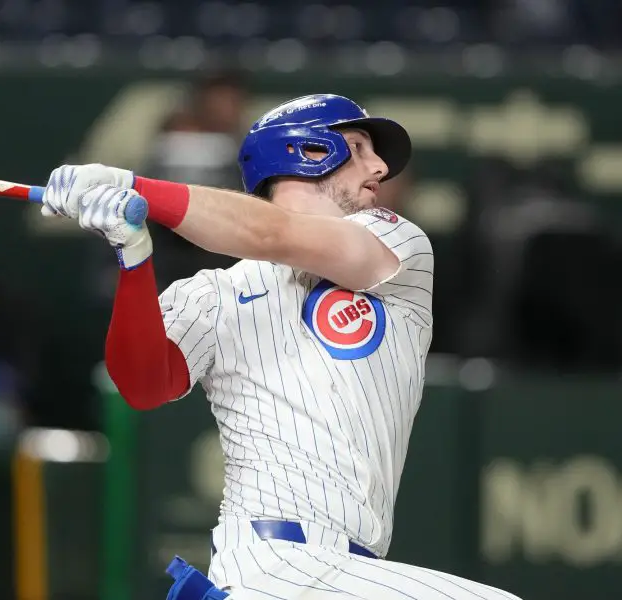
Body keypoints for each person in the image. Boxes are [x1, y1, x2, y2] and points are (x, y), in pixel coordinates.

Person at [39, 94, 522, 599]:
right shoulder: (211, 295)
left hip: (345, 571)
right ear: (306, 153)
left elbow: (271, 232)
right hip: (270, 565)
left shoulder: (396, 244)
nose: (379, 166)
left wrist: (135, 186)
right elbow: (141, 384)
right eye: (357, 148)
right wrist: (133, 257)